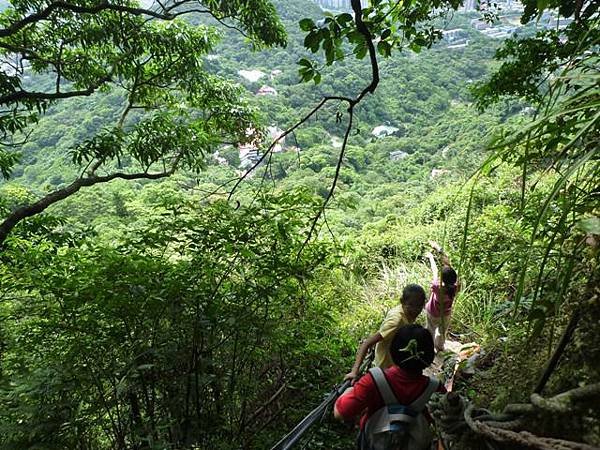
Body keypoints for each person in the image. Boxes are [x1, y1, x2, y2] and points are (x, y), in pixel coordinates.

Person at [334, 324, 445, 449]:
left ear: (393, 351)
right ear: (429, 356)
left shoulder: (373, 381)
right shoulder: (436, 389)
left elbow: (340, 413)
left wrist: (349, 390)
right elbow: (445, 427)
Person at [344, 284, 427, 382]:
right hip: (385, 370)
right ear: (402, 302)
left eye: (419, 306)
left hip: (392, 366)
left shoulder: (403, 312)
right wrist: (354, 371)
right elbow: (367, 343)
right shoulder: (397, 321)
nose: (416, 310)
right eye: (411, 305)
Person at [424, 242, 459, 351]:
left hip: (433, 313)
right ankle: (440, 346)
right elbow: (449, 267)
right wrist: (439, 250)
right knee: (442, 331)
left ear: (442, 278)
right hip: (446, 314)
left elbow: (434, 270)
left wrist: (431, 258)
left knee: (430, 330)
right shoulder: (456, 286)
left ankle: (429, 348)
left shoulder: (437, 286)